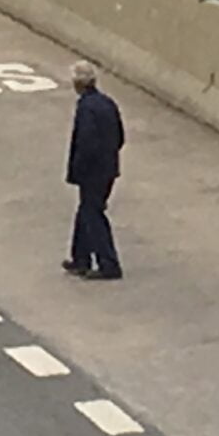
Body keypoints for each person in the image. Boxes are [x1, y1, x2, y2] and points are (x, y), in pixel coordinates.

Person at [62, 60, 124, 281]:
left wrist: (78, 170)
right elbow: (120, 136)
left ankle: (109, 263)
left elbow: (85, 143)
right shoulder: (108, 103)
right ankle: (81, 258)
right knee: (86, 210)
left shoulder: (86, 108)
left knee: (92, 213)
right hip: (108, 168)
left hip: (92, 172)